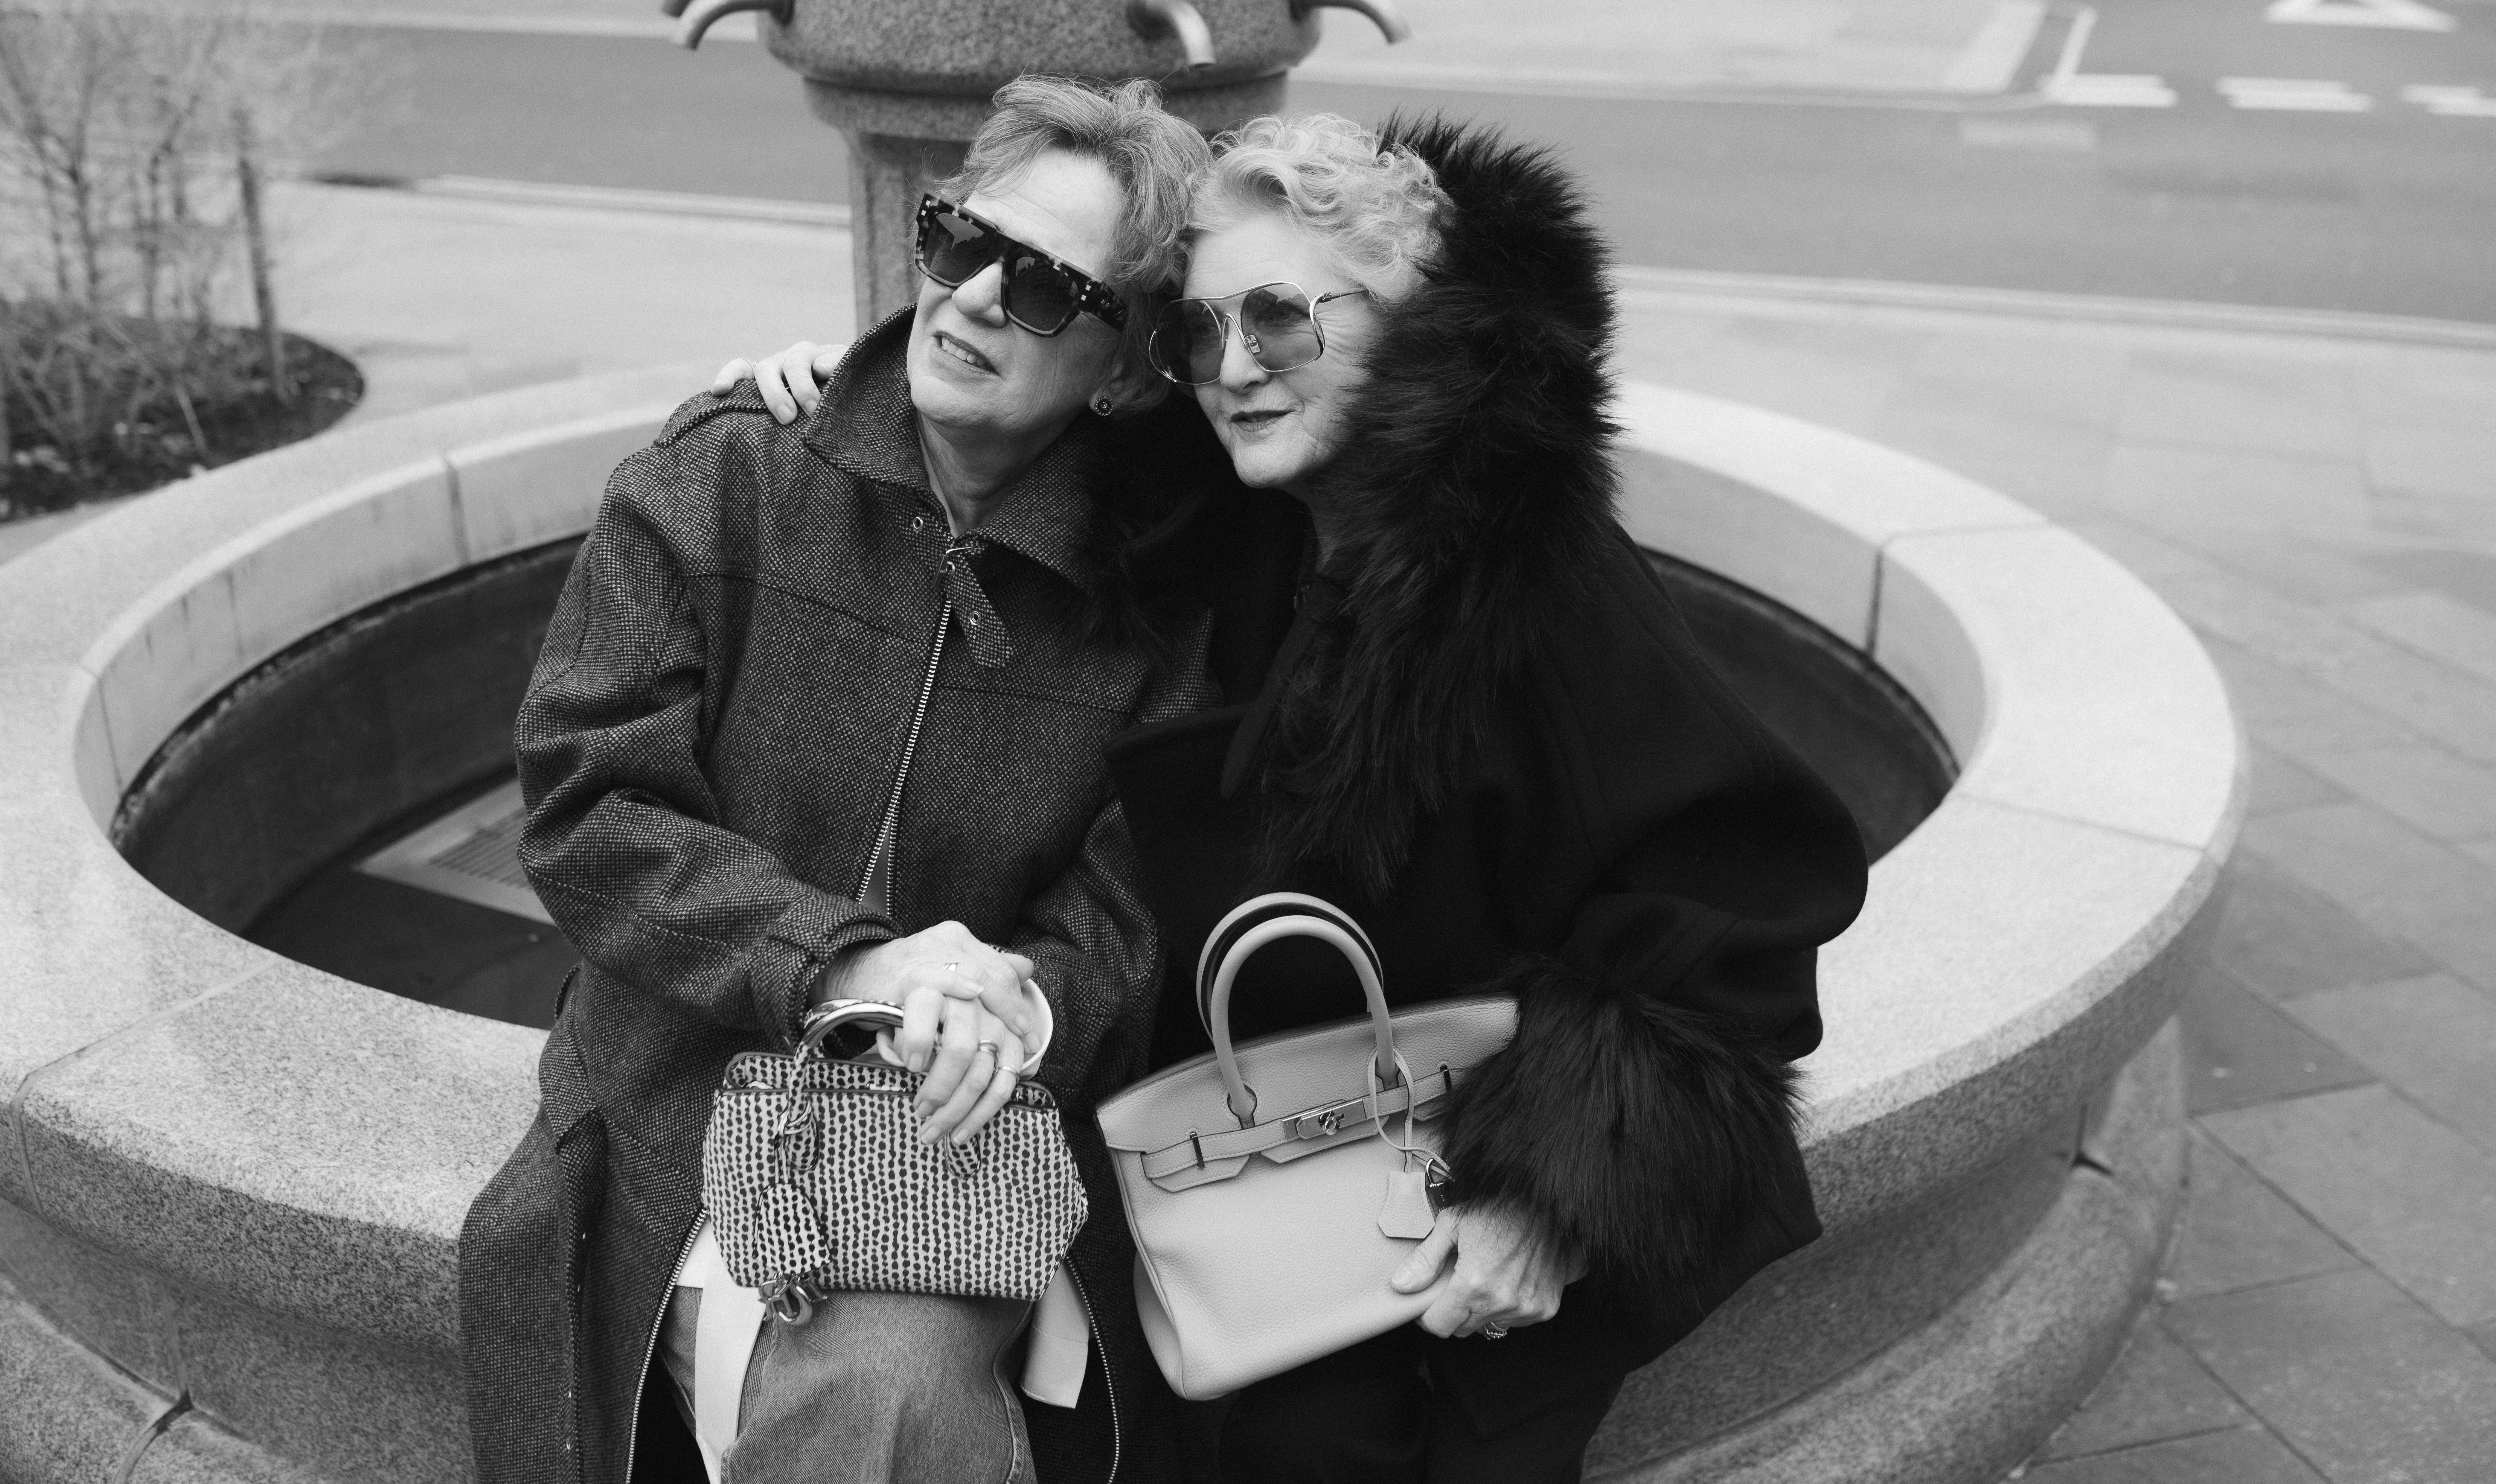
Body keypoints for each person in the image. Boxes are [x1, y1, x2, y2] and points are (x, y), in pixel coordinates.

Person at [724, 111, 1869, 1481]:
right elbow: (1011, 418)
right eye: (1199, 331)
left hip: (1433, 1253)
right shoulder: (1242, 518)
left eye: (1279, 318)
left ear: (1415, 327)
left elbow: (1748, 905)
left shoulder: (1527, 576)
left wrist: (1558, 1195)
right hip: (1235, 1194)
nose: (1232, 367)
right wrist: (847, 404)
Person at [460, 76, 1230, 1484]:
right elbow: (587, 806)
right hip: (675, 1091)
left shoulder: (1169, 605)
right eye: (960, 241)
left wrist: (1011, 1009)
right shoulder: (726, 476)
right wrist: (842, 965)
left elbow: (1134, 915)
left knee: (886, 1386)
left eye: (1046, 289)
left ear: (1126, 371)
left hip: (956, 1127)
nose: (975, 297)